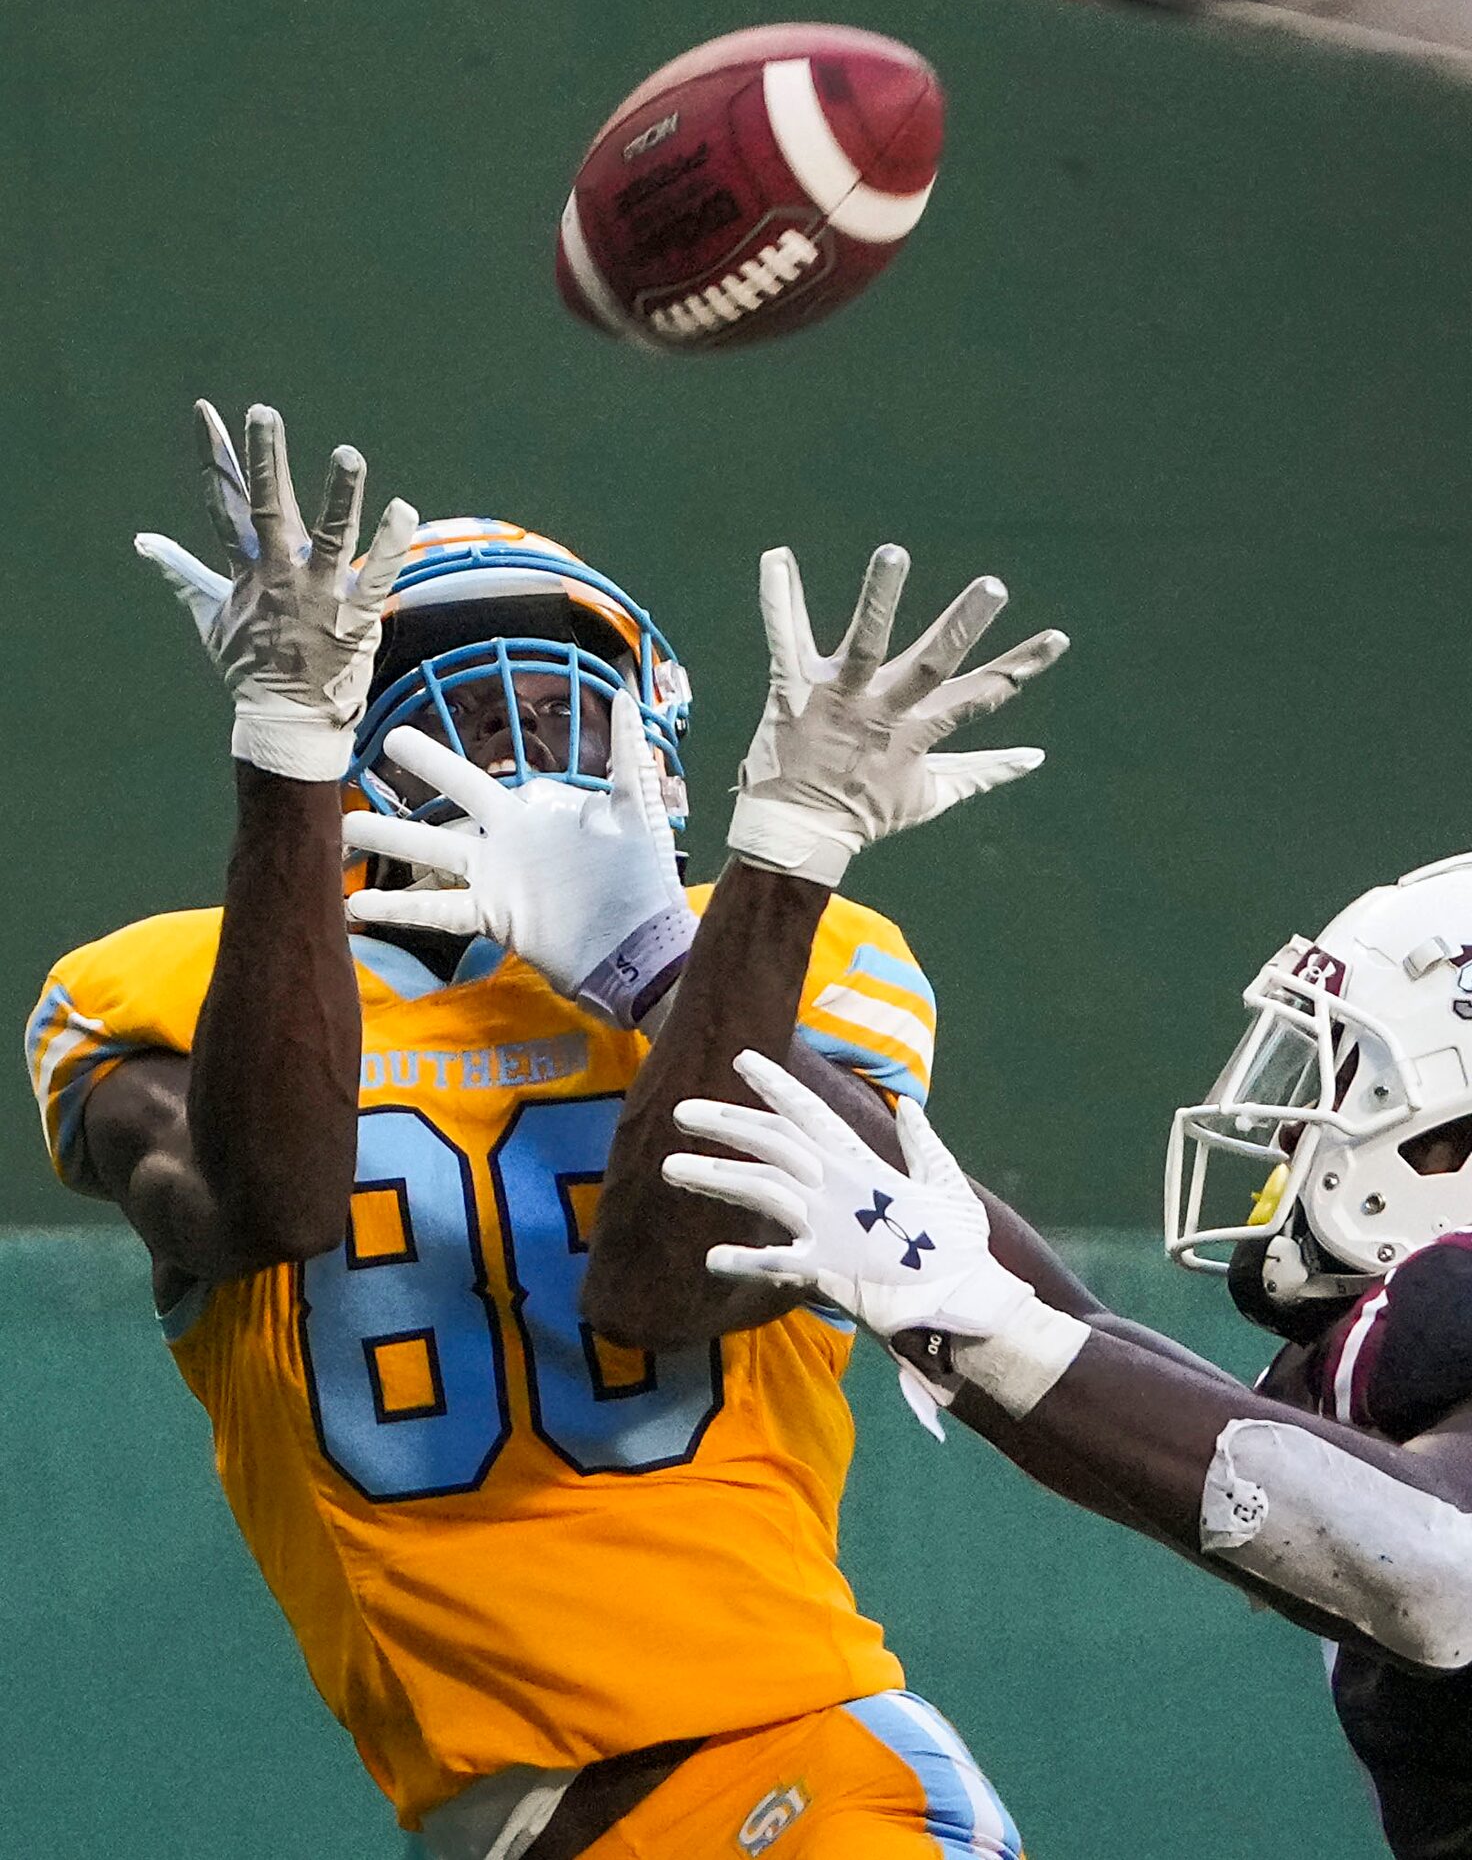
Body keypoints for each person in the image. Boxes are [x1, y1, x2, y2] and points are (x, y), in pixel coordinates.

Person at [22, 400, 1078, 1858]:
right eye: (448, 692)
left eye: (565, 694)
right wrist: (283, 761)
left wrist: (742, 897)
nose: (519, 729)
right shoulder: (161, 986)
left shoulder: (791, 955)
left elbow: (669, 1276)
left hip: (789, 1771)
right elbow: (263, 1203)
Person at [656, 847, 1472, 1859]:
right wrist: (654, 966)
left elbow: (1457, 1565)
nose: (1293, 1135)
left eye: (1344, 1079)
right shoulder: (1435, 1361)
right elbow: (1092, 1360)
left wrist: (974, 1312)